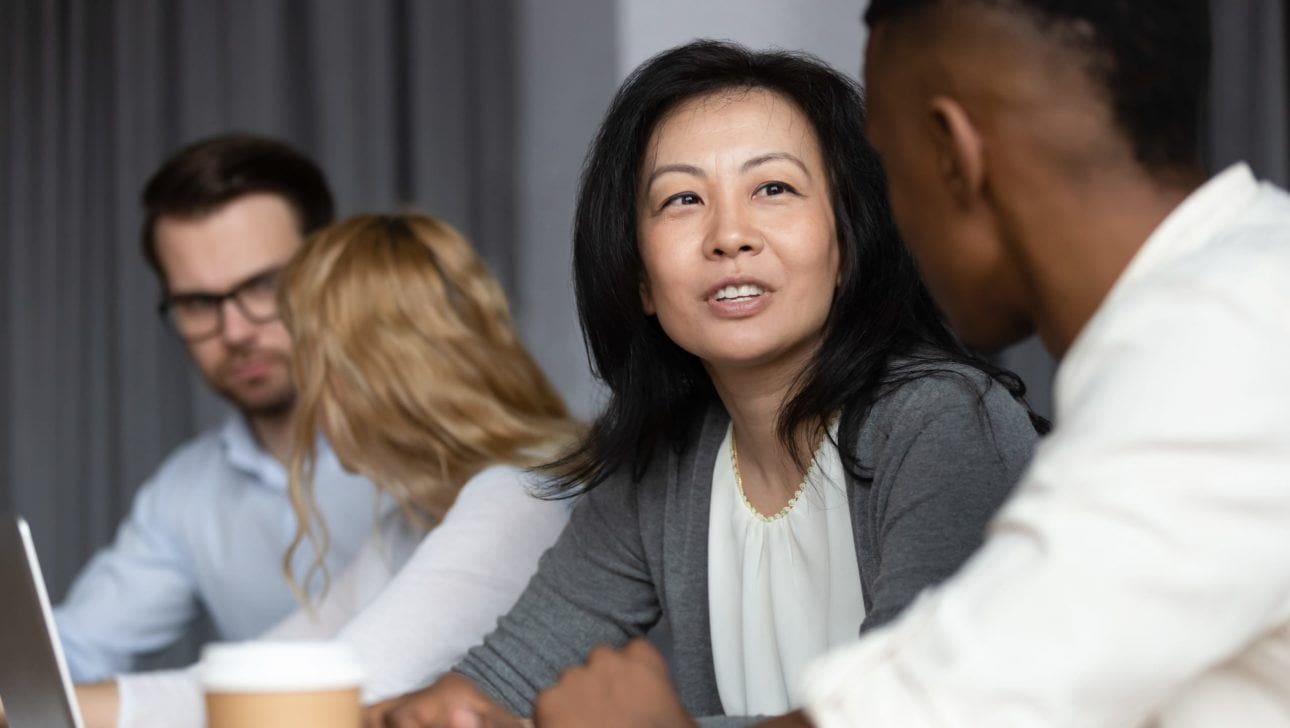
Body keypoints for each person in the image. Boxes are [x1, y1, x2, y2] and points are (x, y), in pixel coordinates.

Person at [534, 2, 1290, 727]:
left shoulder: (1216, 355)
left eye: (887, 170)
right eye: (681, 201)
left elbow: (947, 708)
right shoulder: (1224, 308)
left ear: (952, 154)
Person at [368, 40, 1043, 728]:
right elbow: (500, 681)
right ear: (641, 280)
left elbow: (920, 714)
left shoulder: (944, 423)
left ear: (847, 242)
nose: (728, 235)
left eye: (773, 189)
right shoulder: (666, 460)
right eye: (683, 198)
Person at [78, 212, 582, 728]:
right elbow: (270, 676)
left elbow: (322, 704)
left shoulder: (516, 502)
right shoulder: (406, 525)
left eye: (314, 364)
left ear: (368, 377)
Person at [53, 133, 382, 686]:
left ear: (330, 272)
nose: (235, 332)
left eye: (264, 285)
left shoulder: (431, 447)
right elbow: (71, 651)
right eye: (198, 303)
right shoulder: (186, 493)